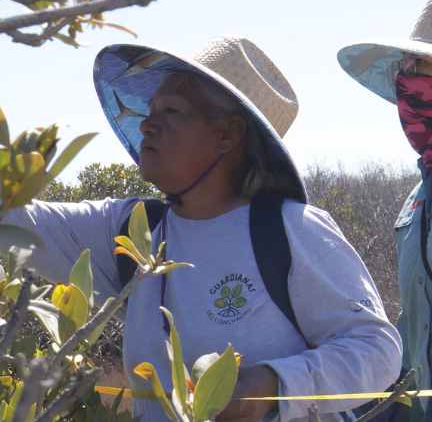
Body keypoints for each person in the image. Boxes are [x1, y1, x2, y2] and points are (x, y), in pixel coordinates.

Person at [3, 38, 401, 421]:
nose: (147, 126)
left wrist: (272, 385)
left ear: (227, 134)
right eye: (149, 111)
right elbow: (16, 222)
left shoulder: (290, 230)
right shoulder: (129, 230)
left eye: (172, 112)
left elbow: (377, 351)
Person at [337, 0, 432, 421]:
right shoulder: (417, 197)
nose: (405, 80)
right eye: (406, 68)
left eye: (419, 67)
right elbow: (417, 334)